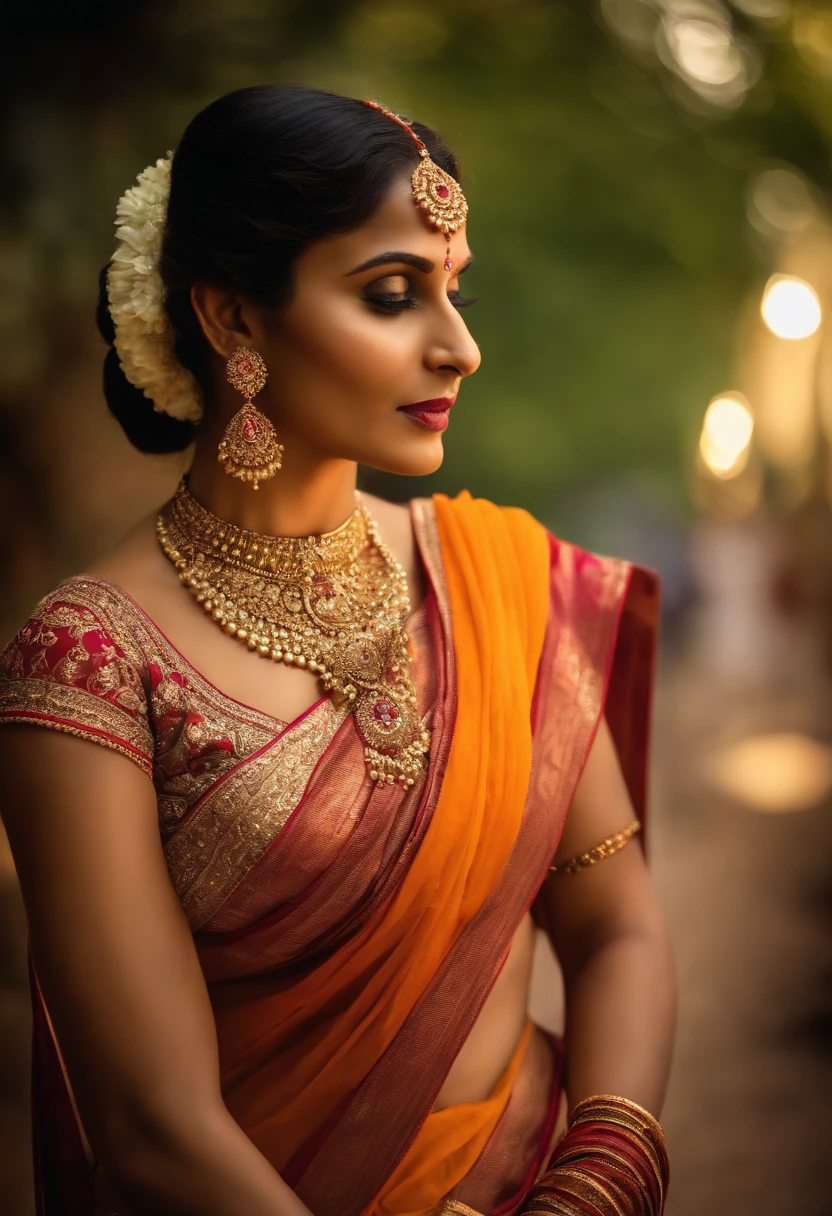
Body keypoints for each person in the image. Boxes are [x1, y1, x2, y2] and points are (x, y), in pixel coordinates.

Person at [0, 84, 676, 1216]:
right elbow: (152, 1128)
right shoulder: (90, 660)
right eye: (393, 295)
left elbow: (617, 928)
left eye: (453, 293)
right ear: (233, 320)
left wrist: (593, 1187)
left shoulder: (499, 582)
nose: (459, 348)